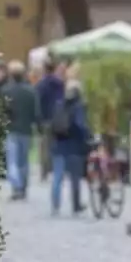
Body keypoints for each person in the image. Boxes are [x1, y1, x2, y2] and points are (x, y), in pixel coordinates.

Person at [50, 79, 91, 217]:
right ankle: (76, 205)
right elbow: (80, 126)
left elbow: (53, 124)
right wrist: (87, 137)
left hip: (58, 145)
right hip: (73, 146)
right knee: (75, 178)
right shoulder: (78, 106)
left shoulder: (59, 104)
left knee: (57, 177)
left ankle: (55, 205)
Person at [0, 60, 38, 200]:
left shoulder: (5, 91)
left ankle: (16, 187)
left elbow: (1, 111)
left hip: (11, 129)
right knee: (24, 160)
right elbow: (36, 112)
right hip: (26, 130)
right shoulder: (30, 91)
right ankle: (23, 187)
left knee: (12, 160)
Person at [34, 57, 67, 182]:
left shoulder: (41, 85)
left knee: (44, 147)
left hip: (45, 119)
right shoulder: (60, 84)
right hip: (58, 120)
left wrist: (38, 120)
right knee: (58, 146)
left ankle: (45, 172)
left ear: (44, 69)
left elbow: (38, 104)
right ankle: (58, 170)